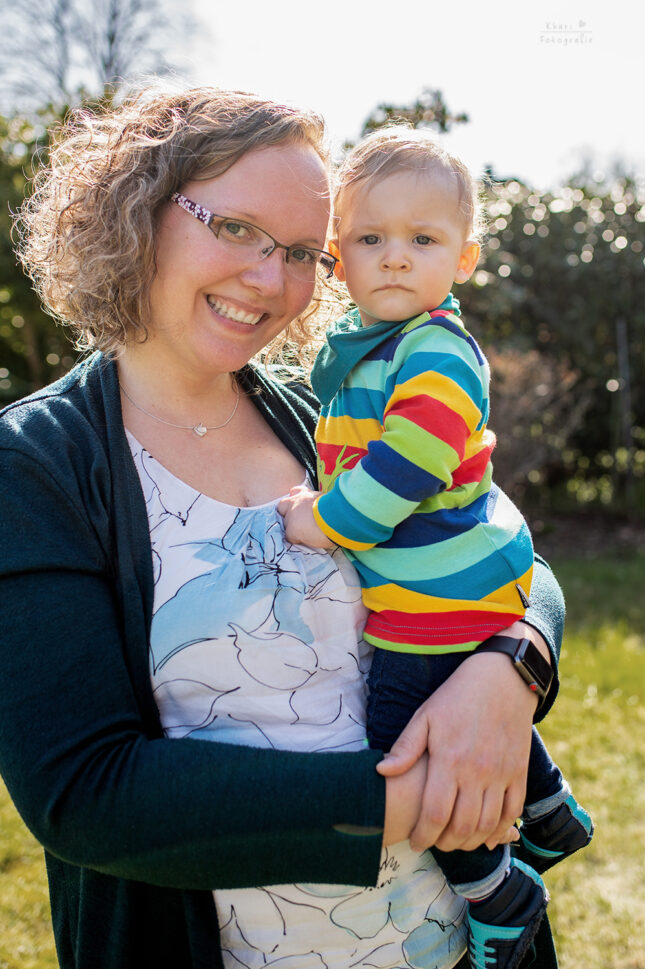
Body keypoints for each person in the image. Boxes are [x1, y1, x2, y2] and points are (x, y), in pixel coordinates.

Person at [0, 87, 565, 969]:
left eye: (302, 250)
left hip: (459, 945)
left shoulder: (321, 411)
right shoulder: (36, 462)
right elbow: (85, 791)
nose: (271, 279)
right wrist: (422, 796)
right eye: (234, 228)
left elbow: (494, 537)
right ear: (137, 210)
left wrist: (510, 669)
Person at [280, 127, 593, 969]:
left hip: (436, 598)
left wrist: (326, 520)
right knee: (456, 701)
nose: (392, 258)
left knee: (405, 745)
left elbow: (409, 461)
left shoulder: (437, 349)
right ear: (338, 258)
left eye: (422, 240)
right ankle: (550, 807)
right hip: (456, 584)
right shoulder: (376, 349)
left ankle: (496, 892)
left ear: (464, 258)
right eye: (370, 239)